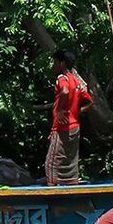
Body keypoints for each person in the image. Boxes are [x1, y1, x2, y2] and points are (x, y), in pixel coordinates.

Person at [45, 49, 92, 186]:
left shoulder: (62, 78)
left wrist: (60, 109)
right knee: (70, 161)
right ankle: (71, 184)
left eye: (55, 62)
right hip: (74, 126)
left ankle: (51, 188)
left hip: (62, 127)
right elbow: (90, 102)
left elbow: (64, 91)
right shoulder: (76, 81)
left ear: (62, 63)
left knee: (51, 162)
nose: (53, 66)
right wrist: (77, 112)